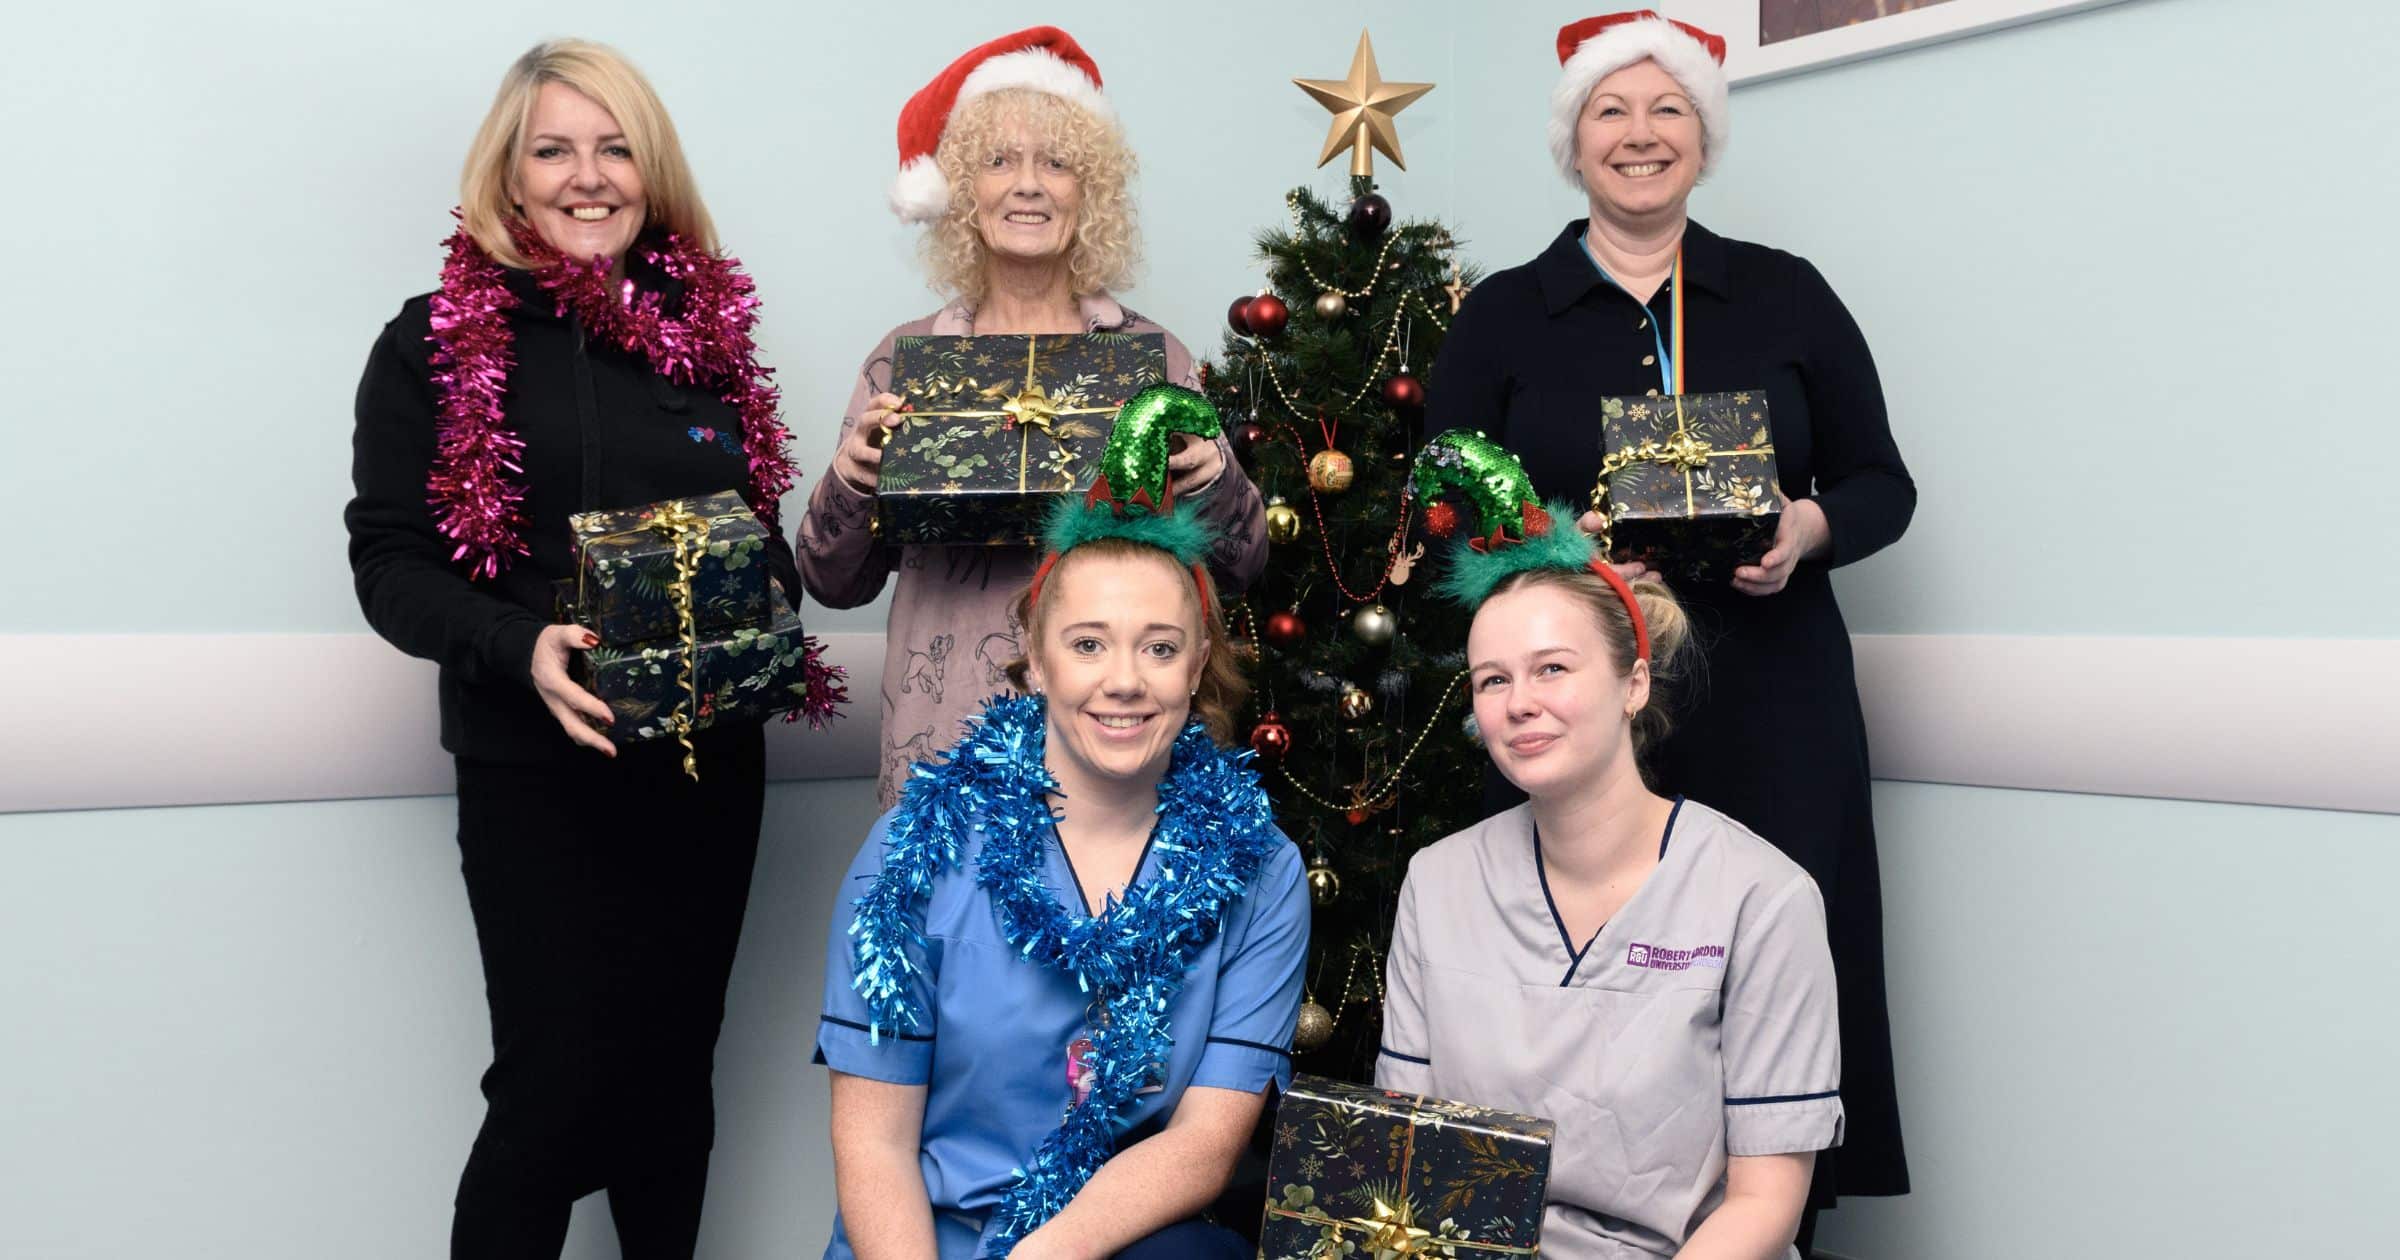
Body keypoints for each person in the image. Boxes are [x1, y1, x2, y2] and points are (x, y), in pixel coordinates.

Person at [1423, 13, 1912, 1237]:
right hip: (1576, 698)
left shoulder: (1787, 293)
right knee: (1565, 979)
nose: (1639, 135)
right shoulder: (1505, 314)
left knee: (1784, 969)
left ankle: (1775, 1226)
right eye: (1610, 112)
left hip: (1773, 697)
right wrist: (1552, 549)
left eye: (1667, 110)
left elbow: (1882, 484)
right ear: (1572, 141)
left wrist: (1804, 532)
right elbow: (1437, 494)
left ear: (1703, 135)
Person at [344, 39, 802, 1258]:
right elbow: (387, 563)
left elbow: (756, 544)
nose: (587, 177)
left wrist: (770, 582)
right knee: (549, 1092)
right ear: (510, 173)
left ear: (651, 175)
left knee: (669, 1090)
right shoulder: (428, 343)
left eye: (615, 150)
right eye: (555, 150)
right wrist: (519, 641)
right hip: (531, 765)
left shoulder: (703, 346)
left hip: (706, 770)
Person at [815, 388, 1307, 1260]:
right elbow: (874, 1143)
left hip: (1114, 1240)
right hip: (924, 1236)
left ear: (1198, 665)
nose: (1125, 680)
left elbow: (1201, 1147)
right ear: (1037, 660)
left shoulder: (1261, 868)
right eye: (1088, 644)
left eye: (1160, 647)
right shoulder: (913, 847)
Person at [1379, 433, 1842, 1260]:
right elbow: (1410, 1157)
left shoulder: (1762, 900)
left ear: (1633, 683)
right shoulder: (1437, 882)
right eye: (1492, 680)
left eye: (1553, 668)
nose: (1520, 703)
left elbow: (1765, 1205)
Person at [799, 26, 1267, 804]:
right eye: (998, 161)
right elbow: (830, 583)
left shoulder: (1153, 360)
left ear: (1091, 191)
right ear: (959, 190)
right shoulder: (905, 361)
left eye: (1056, 162)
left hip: (1124, 747)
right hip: (945, 746)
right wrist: (852, 481)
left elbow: (1241, 566)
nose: (1028, 185)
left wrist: (1214, 480)